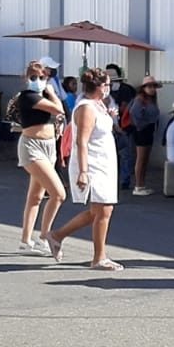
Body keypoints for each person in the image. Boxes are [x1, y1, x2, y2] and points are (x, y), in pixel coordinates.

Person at [45, 68, 122, 271]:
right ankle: (99, 257)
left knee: (99, 211)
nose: (109, 88)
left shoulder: (98, 105)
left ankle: (57, 235)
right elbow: (82, 141)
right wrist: (84, 171)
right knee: (104, 210)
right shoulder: (86, 107)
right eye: (106, 84)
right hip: (93, 164)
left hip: (105, 162)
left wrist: (110, 114)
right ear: (98, 86)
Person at [13, 61, 67, 254]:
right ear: (27, 78)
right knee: (58, 194)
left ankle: (25, 241)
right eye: (34, 77)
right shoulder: (28, 96)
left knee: (36, 196)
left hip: (49, 146)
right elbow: (58, 109)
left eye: (42, 78)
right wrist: (52, 93)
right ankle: (46, 236)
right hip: (32, 146)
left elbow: (59, 114)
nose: (38, 81)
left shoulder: (42, 96)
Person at [127, 75, 162, 196]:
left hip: (148, 130)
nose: (152, 89)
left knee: (145, 159)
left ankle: (142, 184)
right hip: (141, 130)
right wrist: (141, 125)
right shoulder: (140, 99)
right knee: (141, 158)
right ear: (144, 88)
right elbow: (134, 113)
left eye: (153, 86)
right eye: (149, 86)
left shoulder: (150, 100)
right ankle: (138, 185)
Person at [106, 63, 138, 189]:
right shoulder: (107, 94)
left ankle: (124, 180)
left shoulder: (124, 90)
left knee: (125, 155)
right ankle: (119, 180)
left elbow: (126, 108)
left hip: (122, 127)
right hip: (115, 127)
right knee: (122, 155)